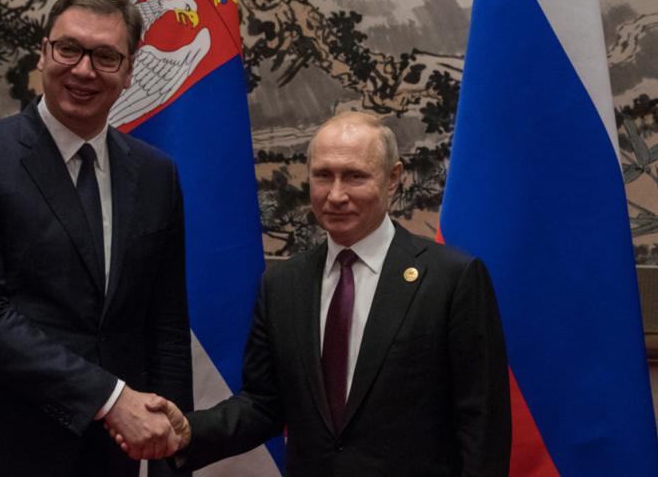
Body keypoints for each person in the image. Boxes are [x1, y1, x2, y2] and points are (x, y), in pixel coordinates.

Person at [0, 0, 192, 477]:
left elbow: (164, 322)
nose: (83, 69)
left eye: (105, 56)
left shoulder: (155, 175)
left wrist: (171, 443)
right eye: (69, 49)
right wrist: (111, 399)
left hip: (107, 457)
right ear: (43, 53)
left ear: (129, 71)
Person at [134, 111, 511, 475]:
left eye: (355, 176)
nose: (336, 195)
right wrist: (189, 431)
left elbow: (482, 426)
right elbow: (263, 404)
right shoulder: (283, 284)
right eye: (323, 175)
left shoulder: (451, 279)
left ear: (393, 178)